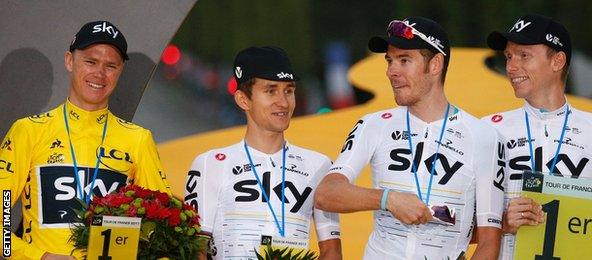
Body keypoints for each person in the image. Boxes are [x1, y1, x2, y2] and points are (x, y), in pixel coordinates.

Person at [314, 16, 505, 259]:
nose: (391, 71)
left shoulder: (483, 135)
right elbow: (326, 194)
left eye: (404, 60)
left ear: (435, 64)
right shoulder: (373, 124)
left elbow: (489, 242)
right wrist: (388, 199)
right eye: (390, 60)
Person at [0, 20, 171, 259]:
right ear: (70, 61)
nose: (99, 74)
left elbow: (165, 230)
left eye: (111, 66)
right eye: (90, 61)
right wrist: (39, 256)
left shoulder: (138, 139)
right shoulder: (28, 131)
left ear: (121, 70)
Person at [483, 13, 592, 259]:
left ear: (558, 61)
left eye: (524, 56)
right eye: (508, 57)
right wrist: (502, 223)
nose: (511, 67)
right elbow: (458, 225)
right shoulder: (488, 129)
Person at [184, 46, 342, 260]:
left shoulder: (320, 165)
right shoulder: (209, 164)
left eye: (289, 90)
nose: (283, 102)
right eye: (271, 90)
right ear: (243, 100)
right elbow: (195, 250)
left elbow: (332, 251)